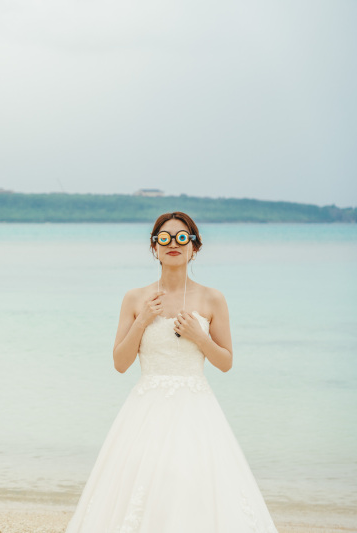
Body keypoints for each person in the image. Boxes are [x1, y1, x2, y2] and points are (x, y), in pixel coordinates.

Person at [65, 212, 277, 532]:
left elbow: (225, 362)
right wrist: (142, 320)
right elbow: (120, 364)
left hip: (196, 410)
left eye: (182, 238)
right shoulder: (136, 298)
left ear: (195, 247)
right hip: (145, 410)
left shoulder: (212, 298)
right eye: (165, 238)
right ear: (155, 247)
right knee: (144, 485)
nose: (174, 244)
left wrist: (199, 336)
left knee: (192, 485)